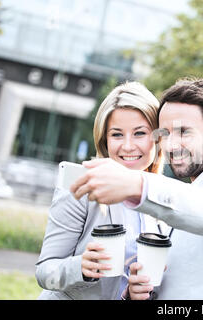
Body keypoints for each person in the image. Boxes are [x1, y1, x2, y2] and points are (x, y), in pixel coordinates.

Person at [71, 78, 203, 299]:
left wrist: (136, 184)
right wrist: (134, 294)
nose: (170, 145)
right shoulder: (185, 200)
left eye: (184, 132)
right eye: (164, 133)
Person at [35, 81, 164, 299]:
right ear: (104, 140)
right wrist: (81, 267)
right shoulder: (81, 187)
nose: (128, 146)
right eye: (117, 134)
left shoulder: (161, 198)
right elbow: (44, 273)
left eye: (139, 133)